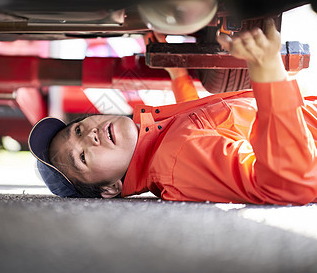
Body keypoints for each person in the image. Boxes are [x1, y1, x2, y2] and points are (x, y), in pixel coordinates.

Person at [29, 19, 317, 205]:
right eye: (82, 157)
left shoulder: (162, 141)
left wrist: (178, 75)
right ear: (110, 189)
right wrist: (268, 71)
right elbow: (288, 184)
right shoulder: (174, 161)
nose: (89, 136)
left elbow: (204, 128)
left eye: (77, 130)